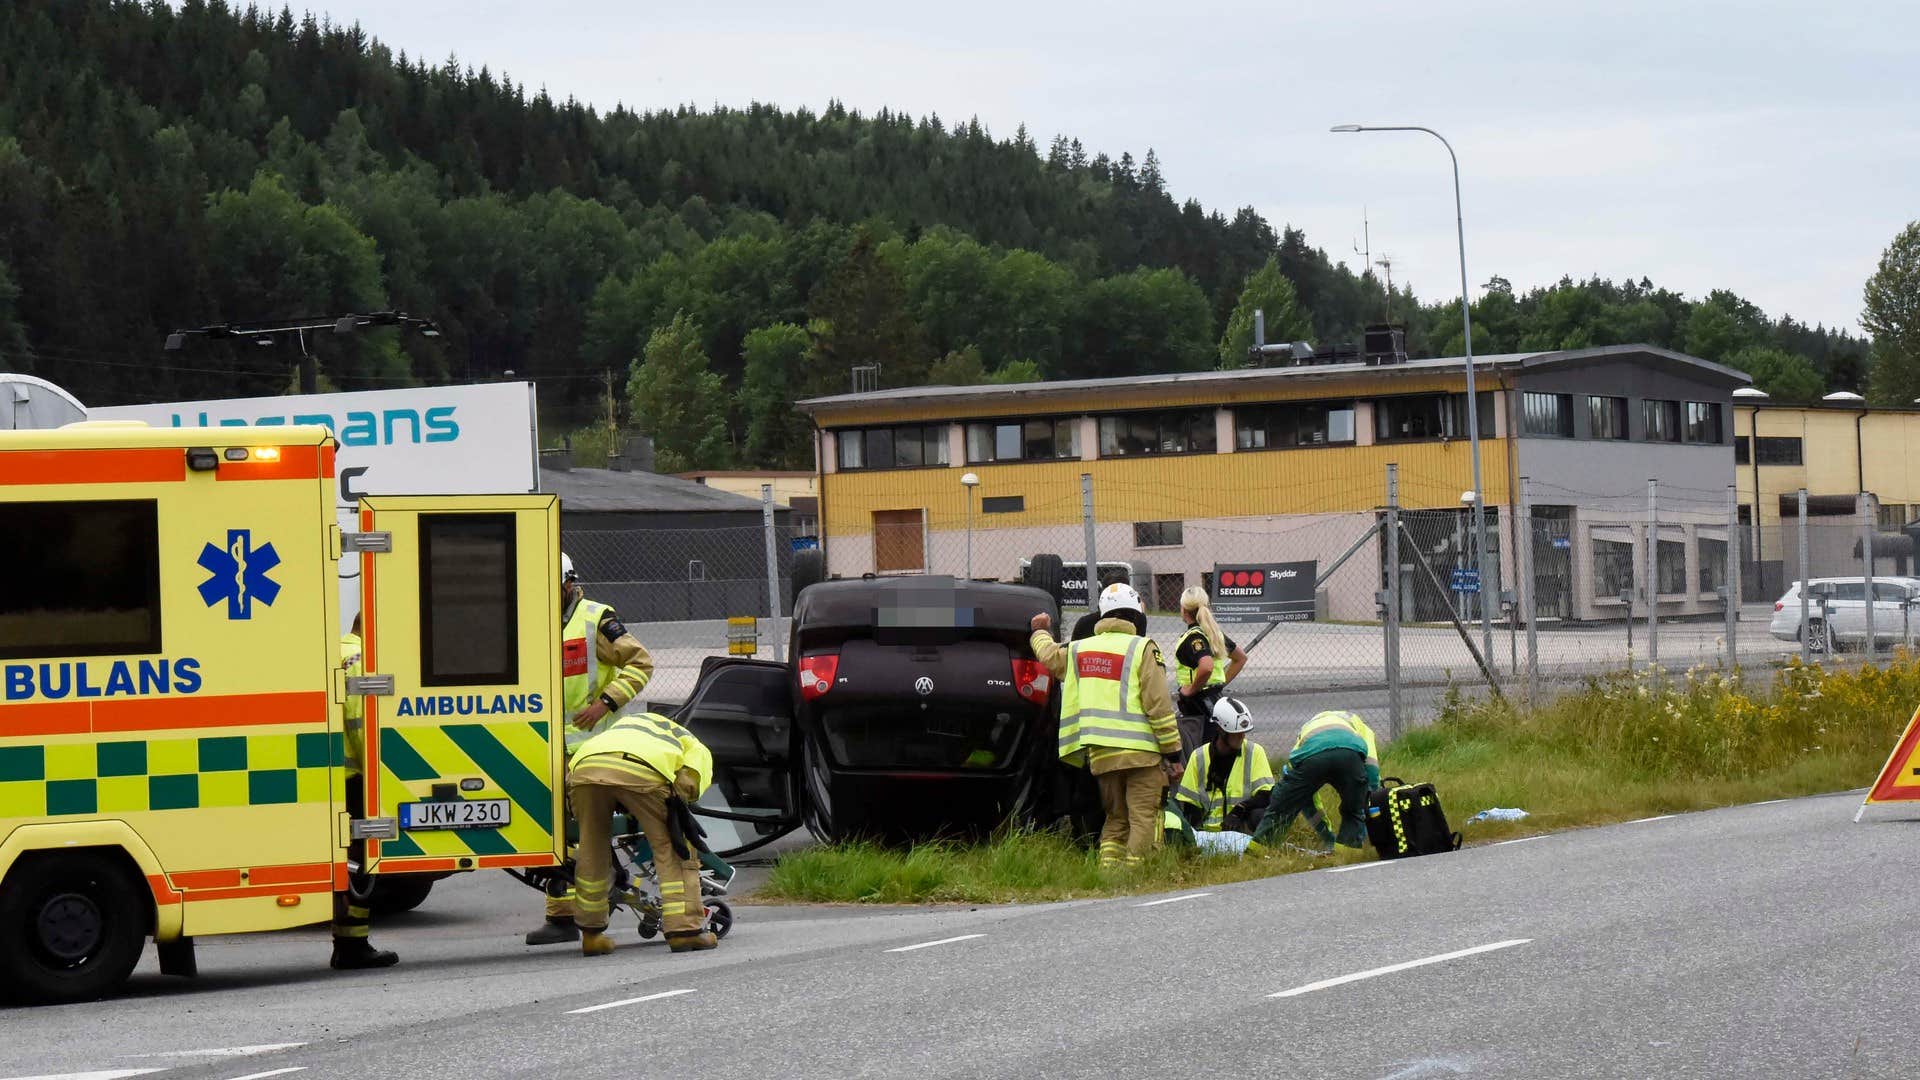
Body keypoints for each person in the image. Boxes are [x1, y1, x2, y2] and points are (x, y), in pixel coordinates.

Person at [526, 552, 657, 946]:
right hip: (545, 744)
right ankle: (562, 915)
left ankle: (581, 917)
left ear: (568, 583)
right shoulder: (529, 617)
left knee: (585, 833)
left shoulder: (596, 619)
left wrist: (606, 703)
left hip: (594, 747)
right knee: (554, 830)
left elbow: (641, 663)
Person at [1031, 582, 1183, 869]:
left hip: (1101, 755)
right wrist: (1173, 753)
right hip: (1142, 754)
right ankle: (1136, 875)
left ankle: (1109, 873)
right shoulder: (1143, 648)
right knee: (1142, 816)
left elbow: (1049, 656)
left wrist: (1039, 631)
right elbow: (1158, 705)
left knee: (1115, 818)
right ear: (1136, 615)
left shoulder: (1079, 650)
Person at [566, 711, 717, 956]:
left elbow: (610, 779)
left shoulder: (623, 728)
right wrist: (677, 811)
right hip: (642, 769)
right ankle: (685, 932)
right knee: (673, 849)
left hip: (585, 771)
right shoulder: (692, 743)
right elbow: (688, 784)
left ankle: (591, 936)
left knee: (592, 851)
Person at [332, 613, 399, 971]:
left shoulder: (335, 649)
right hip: (354, 775)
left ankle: (347, 942)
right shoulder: (362, 658)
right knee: (359, 858)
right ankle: (351, 944)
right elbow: (360, 720)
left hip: (328, 776)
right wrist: (378, 773)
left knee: (345, 858)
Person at [1253, 709, 1381, 850]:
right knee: (1354, 810)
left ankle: (1259, 850)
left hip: (1311, 757)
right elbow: (1372, 768)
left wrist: (1326, 835)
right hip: (1349, 755)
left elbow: (1294, 772)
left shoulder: (1308, 728)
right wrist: (1369, 798)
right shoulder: (1361, 727)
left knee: (1281, 809)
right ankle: (1347, 851)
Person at [1173, 697, 1274, 836]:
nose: (1242, 736)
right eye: (1236, 733)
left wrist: (1239, 810)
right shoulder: (1199, 757)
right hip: (1207, 833)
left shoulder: (1255, 752)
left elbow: (1266, 795)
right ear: (1220, 729)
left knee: (1261, 815)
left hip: (1241, 830)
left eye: (1244, 732)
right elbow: (1190, 806)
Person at [1172, 587, 1247, 754]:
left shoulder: (1193, 638)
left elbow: (1206, 666)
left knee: (1200, 753)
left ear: (1184, 610)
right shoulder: (1213, 633)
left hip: (1198, 706)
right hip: (1215, 701)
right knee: (1218, 750)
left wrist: (1191, 689)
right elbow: (1240, 658)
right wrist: (1219, 684)